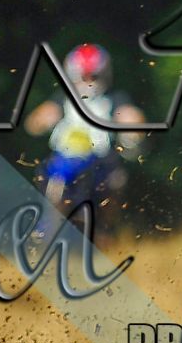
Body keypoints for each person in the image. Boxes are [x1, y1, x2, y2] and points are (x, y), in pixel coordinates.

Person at [22, 43, 146, 239]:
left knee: (116, 181)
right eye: (84, 76)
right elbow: (33, 123)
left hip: (102, 162)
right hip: (65, 162)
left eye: (94, 76)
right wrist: (42, 120)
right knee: (56, 181)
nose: (89, 81)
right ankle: (49, 231)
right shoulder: (62, 100)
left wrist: (132, 125)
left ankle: (108, 229)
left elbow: (131, 116)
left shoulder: (114, 99)